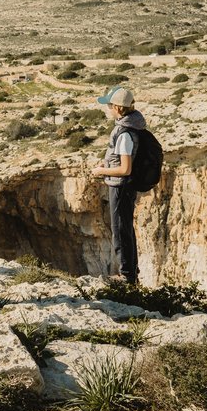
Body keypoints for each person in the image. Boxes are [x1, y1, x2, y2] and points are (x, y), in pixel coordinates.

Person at [91, 86, 146, 284]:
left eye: (109, 105)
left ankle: (126, 276)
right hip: (124, 186)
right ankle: (131, 273)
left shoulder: (124, 134)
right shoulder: (131, 126)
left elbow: (125, 169)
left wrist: (101, 171)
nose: (108, 109)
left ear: (117, 108)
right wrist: (106, 165)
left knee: (120, 231)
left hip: (121, 187)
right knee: (125, 229)